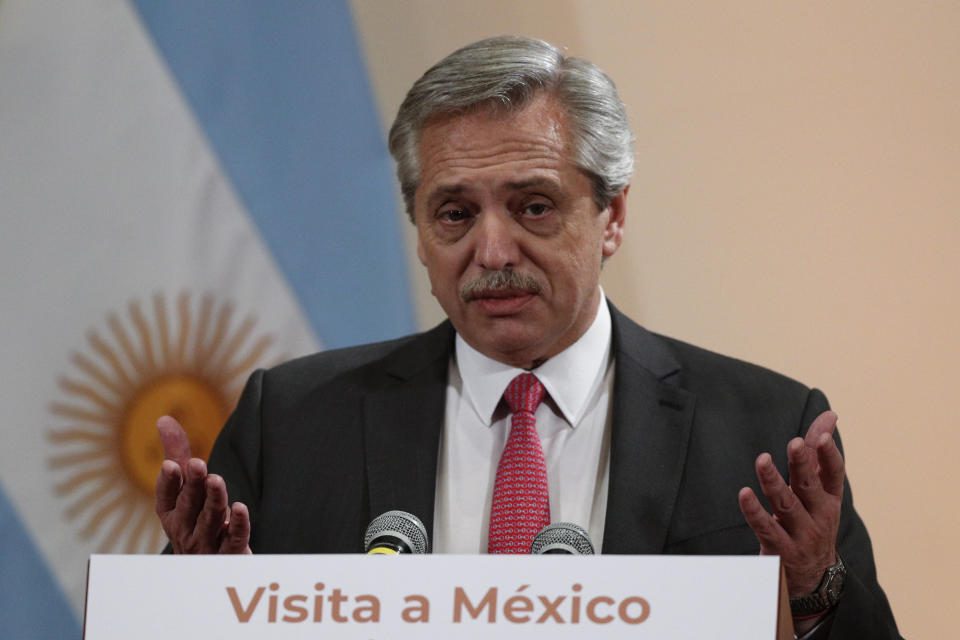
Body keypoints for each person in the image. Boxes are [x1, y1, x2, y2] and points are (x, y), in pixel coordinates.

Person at [154, 36, 900, 638]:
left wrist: (811, 594)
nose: (493, 251)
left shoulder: (764, 428)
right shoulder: (289, 421)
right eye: (454, 214)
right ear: (417, 232)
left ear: (612, 216)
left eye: (534, 206)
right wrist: (196, 613)